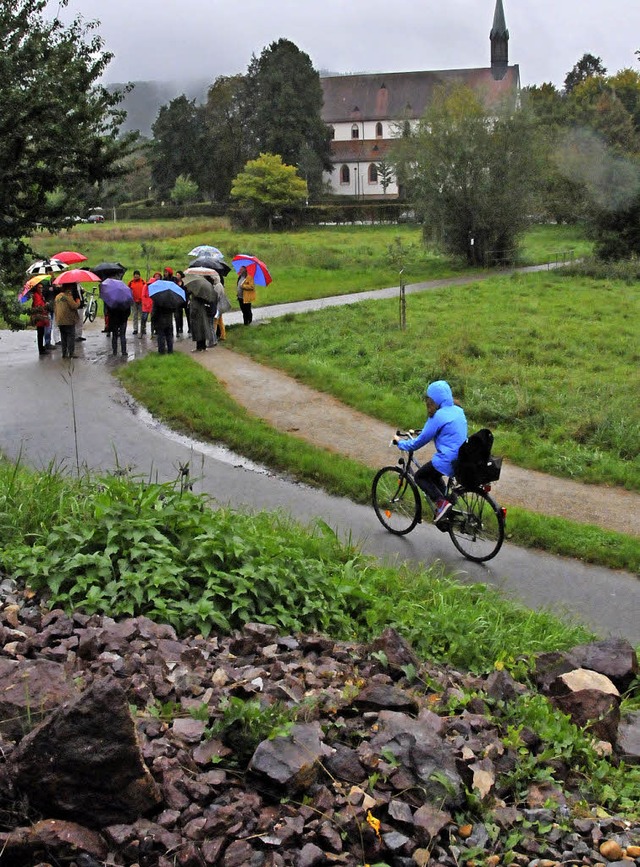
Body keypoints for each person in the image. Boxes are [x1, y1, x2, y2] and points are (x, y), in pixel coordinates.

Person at [393, 380, 468, 524]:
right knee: (433, 475)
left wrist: (400, 443)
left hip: (447, 460)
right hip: (461, 458)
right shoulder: (458, 410)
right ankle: (448, 505)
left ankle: (442, 504)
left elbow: (417, 443)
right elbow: (448, 431)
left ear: (433, 400)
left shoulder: (438, 416)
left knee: (420, 476)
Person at [54, 283, 81, 359]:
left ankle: (64, 353)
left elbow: (55, 308)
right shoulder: (68, 296)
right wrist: (78, 301)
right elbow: (74, 306)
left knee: (63, 337)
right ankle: (71, 353)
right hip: (68, 320)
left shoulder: (57, 297)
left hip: (60, 320)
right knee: (70, 336)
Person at [30, 285, 51, 356]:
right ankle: (41, 349)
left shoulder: (40, 295)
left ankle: (42, 348)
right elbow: (38, 306)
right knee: (40, 333)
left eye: (42, 287)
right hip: (39, 317)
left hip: (42, 316)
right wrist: (45, 305)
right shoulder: (36, 295)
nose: (41, 289)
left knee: (41, 333)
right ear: (36, 288)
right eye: (39, 287)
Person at [128, 270, 147, 335]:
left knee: (142, 316)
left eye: (137, 274)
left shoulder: (143, 282)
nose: (136, 276)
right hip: (133, 301)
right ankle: (135, 329)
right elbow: (128, 291)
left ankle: (143, 328)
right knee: (135, 315)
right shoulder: (131, 282)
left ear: (139, 275)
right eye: (135, 275)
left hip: (141, 301)